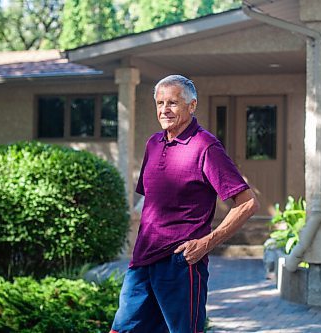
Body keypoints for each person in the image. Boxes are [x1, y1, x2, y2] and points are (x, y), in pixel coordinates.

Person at [110, 74, 259, 333]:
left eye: (173, 103)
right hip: (142, 261)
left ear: (192, 106)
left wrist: (206, 243)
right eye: (160, 103)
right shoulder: (153, 144)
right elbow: (150, 201)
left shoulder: (206, 146)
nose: (164, 110)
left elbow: (247, 203)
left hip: (180, 262)